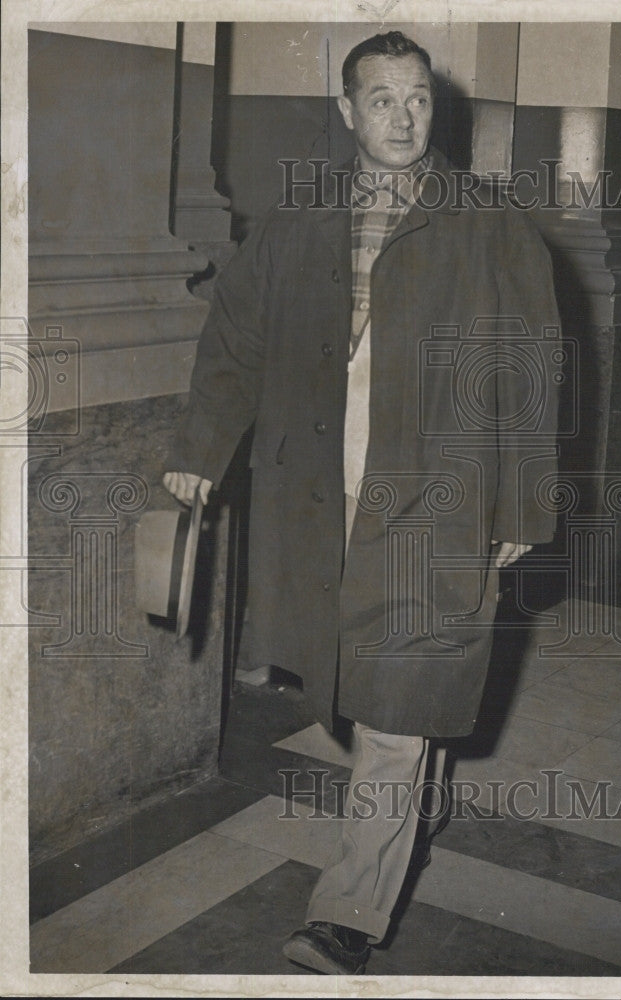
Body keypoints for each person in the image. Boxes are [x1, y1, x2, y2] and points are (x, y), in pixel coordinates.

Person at [164, 30, 562, 975]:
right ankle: (409, 803)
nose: (403, 116)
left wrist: (521, 506)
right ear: (347, 113)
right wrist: (199, 451)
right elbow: (237, 344)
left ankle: (346, 912)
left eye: (418, 97)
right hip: (316, 496)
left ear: (439, 106)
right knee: (353, 692)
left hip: (439, 500)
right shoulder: (298, 223)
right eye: (381, 99)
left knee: (396, 707)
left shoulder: (489, 222)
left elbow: (534, 371)